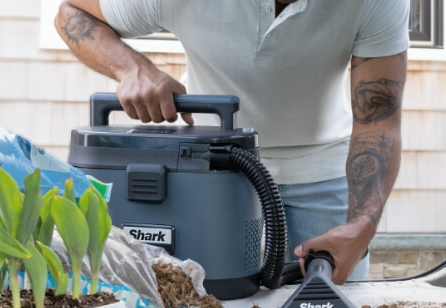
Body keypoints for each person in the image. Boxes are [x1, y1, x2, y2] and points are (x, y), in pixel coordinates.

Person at [55, 0, 409, 285]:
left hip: (322, 177)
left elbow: (378, 119)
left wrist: (362, 227)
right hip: (208, 177)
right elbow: (71, 12)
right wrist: (131, 68)